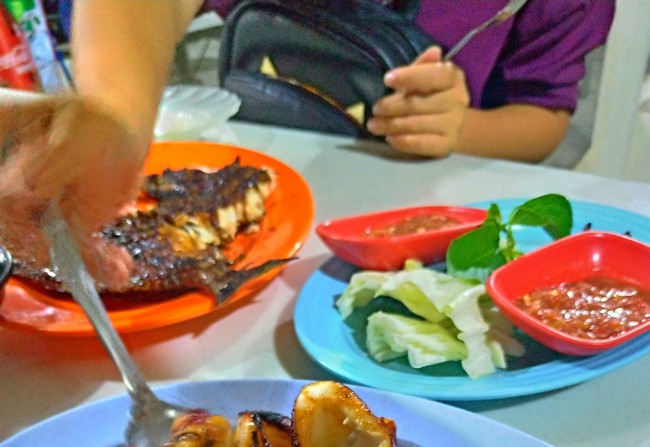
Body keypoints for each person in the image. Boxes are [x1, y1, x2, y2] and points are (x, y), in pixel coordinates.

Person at [0, 0, 615, 283]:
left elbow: (545, 113)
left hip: (435, 222)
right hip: (256, 190)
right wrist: (118, 117)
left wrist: (463, 129)